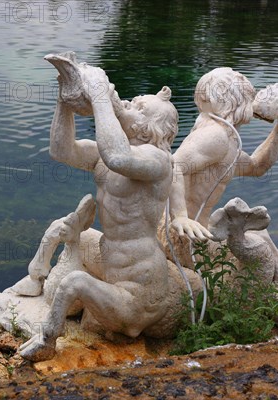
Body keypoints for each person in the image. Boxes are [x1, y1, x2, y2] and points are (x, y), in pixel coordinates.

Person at [19, 67, 205, 362]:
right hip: (112, 261)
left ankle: (47, 340)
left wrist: (99, 95)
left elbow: (118, 157)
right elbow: (61, 150)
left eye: (138, 106)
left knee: (73, 282)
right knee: (68, 228)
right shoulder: (107, 155)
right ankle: (35, 277)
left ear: (150, 128)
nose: (128, 103)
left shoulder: (157, 161)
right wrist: (64, 100)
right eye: (130, 100)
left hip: (138, 292)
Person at [166, 67, 278, 267]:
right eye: (248, 95)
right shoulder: (216, 136)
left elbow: (257, 167)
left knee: (258, 235)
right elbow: (173, 165)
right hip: (185, 234)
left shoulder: (227, 140)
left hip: (196, 229)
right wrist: (179, 217)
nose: (253, 100)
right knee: (258, 245)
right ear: (232, 98)